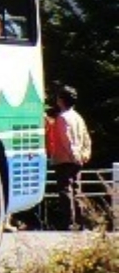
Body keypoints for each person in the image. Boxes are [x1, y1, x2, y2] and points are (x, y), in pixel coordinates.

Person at [47, 86, 94, 230]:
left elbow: (66, 139)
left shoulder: (62, 118)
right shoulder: (77, 117)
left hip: (64, 159)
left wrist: (73, 154)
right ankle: (80, 221)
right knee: (76, 189)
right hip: (78, 158)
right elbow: (86, 137)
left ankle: (68, 221)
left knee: (65, 189)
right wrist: (85, 153)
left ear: (61, 100)